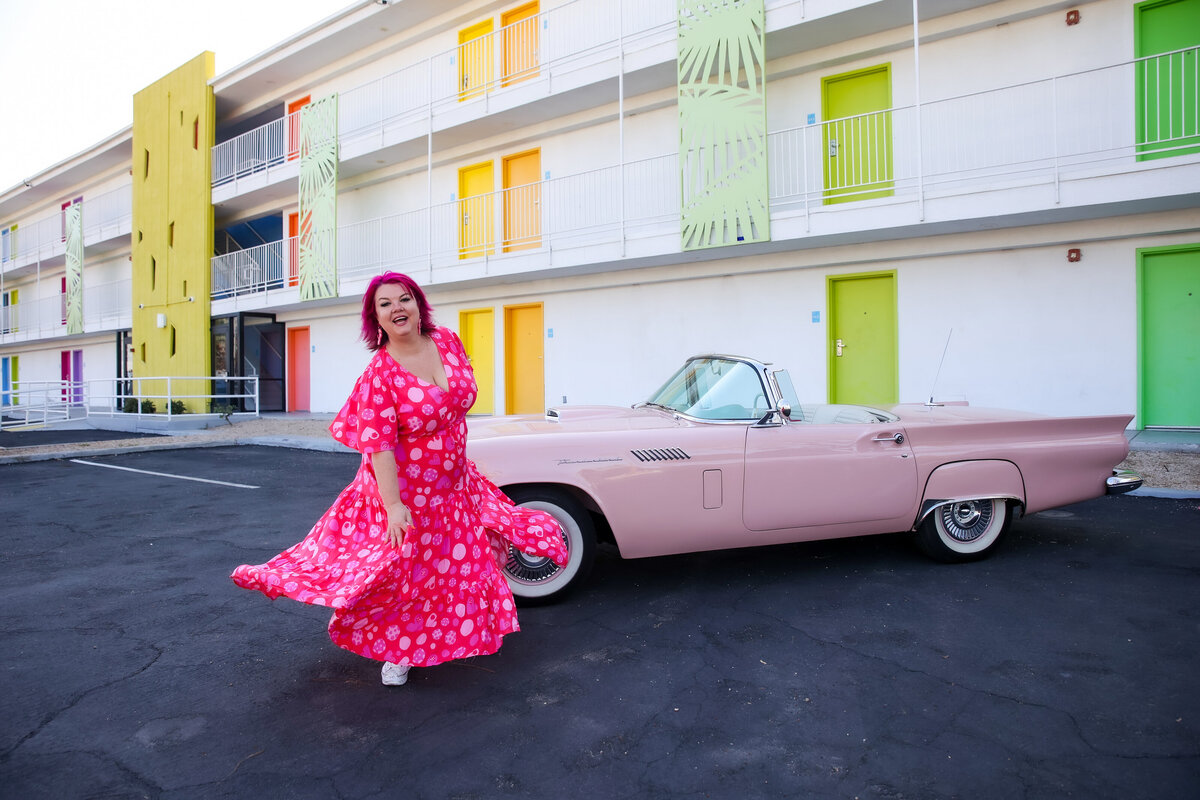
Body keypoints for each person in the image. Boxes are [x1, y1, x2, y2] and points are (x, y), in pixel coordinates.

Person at [231, 271, 568, 686]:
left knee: (457, 568)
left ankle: (455, 632)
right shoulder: (381, 374)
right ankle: (399, 650)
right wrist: (393, 506)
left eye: (404, 299)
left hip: (455, 485)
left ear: (418, 304)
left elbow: (456, 402)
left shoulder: (446, 341)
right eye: (385, 304)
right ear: (375, 318)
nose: (397, 309)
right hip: (408, 494)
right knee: (406, 575)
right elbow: (379, 446)